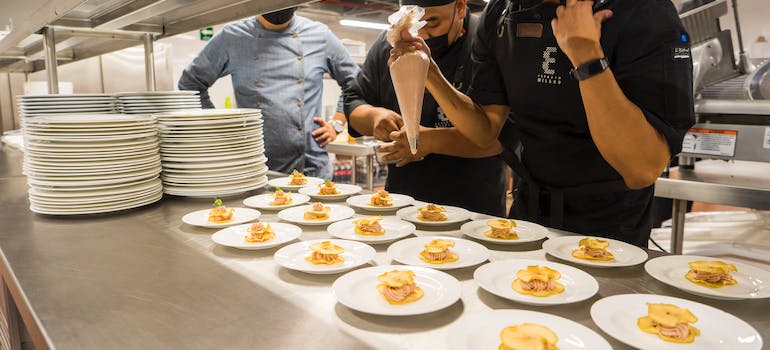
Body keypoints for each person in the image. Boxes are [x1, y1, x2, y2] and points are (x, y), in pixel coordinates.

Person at [391, 0, 695, 246]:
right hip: (529, 215)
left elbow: (642, 167)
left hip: (610, 224)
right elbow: (485, 132)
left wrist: (586, 56)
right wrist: (429, 73)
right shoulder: (501, 14)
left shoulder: (642, 12)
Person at [344, 0, 508, 216]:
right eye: (414, 24)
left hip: (472, 208)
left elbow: (498, 138)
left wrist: (428, 140)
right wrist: (375, 117)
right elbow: (353, 103)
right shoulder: (391, 44)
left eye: (432, 23)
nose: (423, 35)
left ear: (460, 7)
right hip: (404, 204)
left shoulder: (485, 42)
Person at [178, 7, 360, 178]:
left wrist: (337, 124)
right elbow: (190, 84)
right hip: (257, 169)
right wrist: (221, 128)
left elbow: (355, 83)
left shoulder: (320, 35)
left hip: (311, 169)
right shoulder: (232, 37)